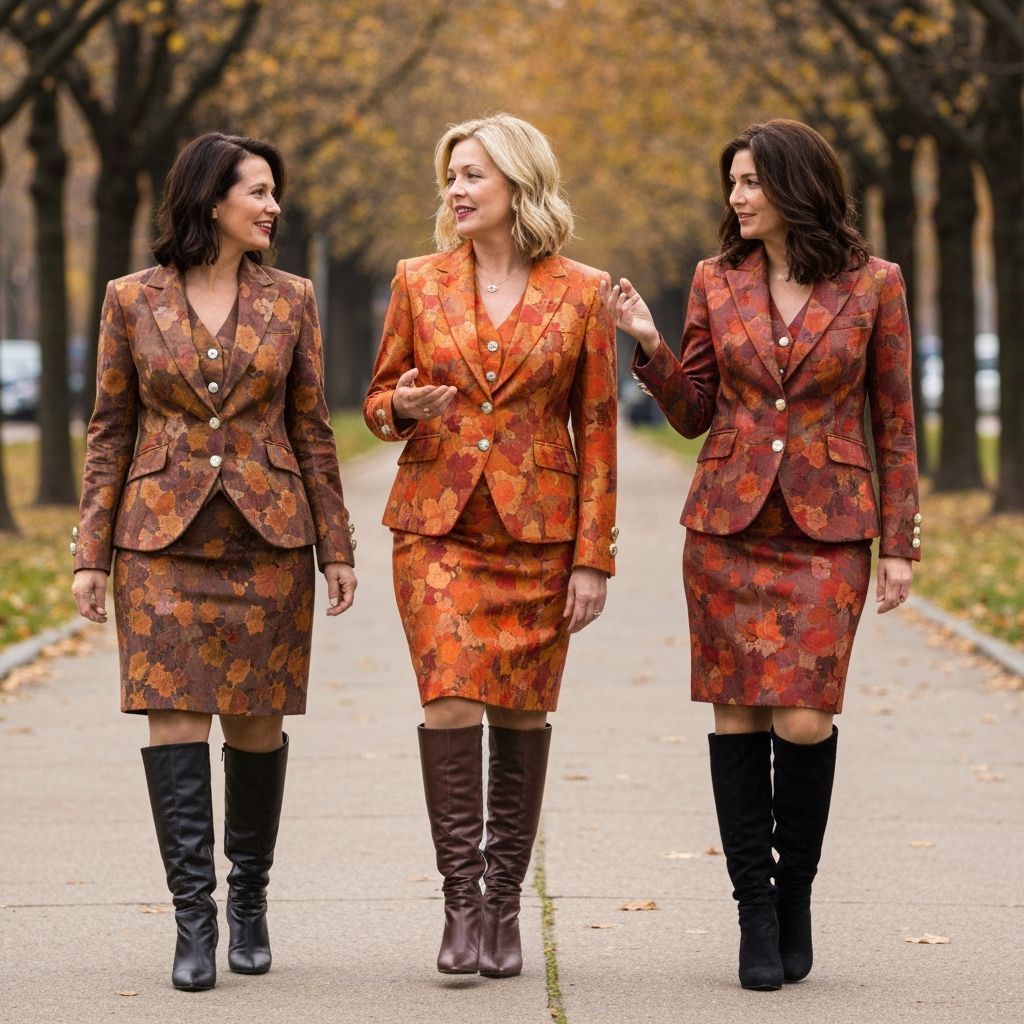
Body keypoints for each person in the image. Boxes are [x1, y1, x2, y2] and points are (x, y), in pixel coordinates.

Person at [602, 119, 921, 990]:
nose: (736, 198)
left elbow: (894, 419)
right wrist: (651, 344)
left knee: (805, 719)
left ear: (795, 185)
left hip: (828, 533)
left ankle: (794, 897)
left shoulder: (875, 284)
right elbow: (695, 410)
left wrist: (900, 543)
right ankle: (753, 911)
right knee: (737, 716)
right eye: (731, 183)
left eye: (749, 182)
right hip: (727, 530)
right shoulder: (716, 279)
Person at [71, 132, 357, 992]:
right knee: (174, 721)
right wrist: (90, 554)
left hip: (267, 542)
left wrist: (335, 547)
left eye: (274, 192)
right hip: (157, 541)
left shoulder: (294, 298)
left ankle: (251, 898)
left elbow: (311, 428)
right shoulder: (129, 299)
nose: (273, 206)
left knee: (257, 728)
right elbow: (109, 430)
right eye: (259, 191)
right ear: (210, 199)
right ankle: (192, 920)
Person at [364, 113, 617, 978]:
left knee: (520, 712)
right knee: (449, 704)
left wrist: (594, 555)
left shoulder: (583, 291)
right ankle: (460, 904)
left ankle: (506, 907)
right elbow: (374, 401)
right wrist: (401, 407)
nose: (457, 190)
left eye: (473, 174)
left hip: (538, 533)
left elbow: (599, 427)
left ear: (517, 182)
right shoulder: (416, 280)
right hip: (436, 525)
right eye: (451, 177)